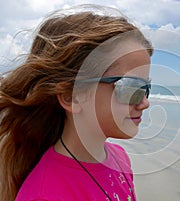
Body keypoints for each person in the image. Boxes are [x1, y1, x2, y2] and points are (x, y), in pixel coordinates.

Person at [0, 5, 153, 201]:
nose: (145, 103)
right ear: (70, 96)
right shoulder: (45, 195)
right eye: (131, 88)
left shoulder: (120, 159)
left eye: (145, 88)